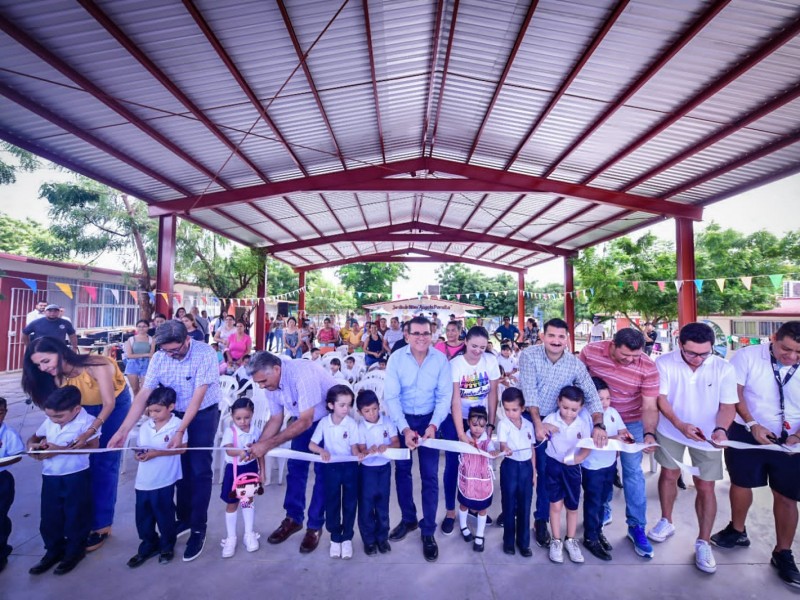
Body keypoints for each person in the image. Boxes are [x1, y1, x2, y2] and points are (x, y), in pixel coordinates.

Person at [108, 320, 222, 562]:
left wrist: (181, 431)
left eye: (176, 350)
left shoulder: (205, 353)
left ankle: (199, 527)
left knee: (199, 470)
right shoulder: (160, 358)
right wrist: (123, 430)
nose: (172, 354)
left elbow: (197, 398)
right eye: (167, 350)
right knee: (178, 469)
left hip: (202, 413)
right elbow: (143, 396)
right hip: (173, 412)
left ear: (187, 340)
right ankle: (185, 519)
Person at [22, 336, 132, 553]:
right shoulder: (56, 378)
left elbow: (108, 404)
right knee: (79, 462)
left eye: (46, 361)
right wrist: (39, 440)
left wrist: (90, 432)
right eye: (38, 365)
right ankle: (78, 524)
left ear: (60, 352)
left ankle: (101, 526)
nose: (43, 368)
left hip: (113, 407)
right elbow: (57, 418)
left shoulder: (96, 364)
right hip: (82, 407)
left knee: (103, 461)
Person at [711, 321, 800, 588]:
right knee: (741, 483)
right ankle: (737, 530)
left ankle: (782, 552)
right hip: (747, 431)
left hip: (792, 440)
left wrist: (798, 436)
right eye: (786, 349)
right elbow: (734, 392)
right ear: (773, 338)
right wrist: (752, 424)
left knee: (787, 496)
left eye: (799, 353)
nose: (792, 357)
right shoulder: (748, 356)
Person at [646, 322, 737, 574]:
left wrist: (721, 429)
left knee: (705, 486)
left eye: (704, 354)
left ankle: (703, 541)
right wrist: (680, 424)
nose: (698, 359)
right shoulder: (664, 362)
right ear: (680, 345)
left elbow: (728, 406)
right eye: (691, 353)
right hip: (671, 430)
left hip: (708, 437)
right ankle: (666, 520)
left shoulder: (723, 368)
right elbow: (661, 399)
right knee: (669, 475)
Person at [517, 318, 606, 549]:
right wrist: (538, 424)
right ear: (543, 336)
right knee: (525, 471)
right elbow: (530, 393)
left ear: (567, 339)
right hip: (530, 418)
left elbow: (591, 394)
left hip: (558, 421)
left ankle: (541, 519)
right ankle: (516, 515)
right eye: (551, 336)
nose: (556, 341)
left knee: (548, 472)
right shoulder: (529, 356)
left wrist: (599, 424)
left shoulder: (575, 364)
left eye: (561, 337)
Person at [580, 327, 660, 559]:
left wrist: (649, 433)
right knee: (602, 468)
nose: (631, 361)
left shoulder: (647, 366)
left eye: (636, 356)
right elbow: (580, 383)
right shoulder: (591, 352)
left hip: (632, 421)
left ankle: (637, 526)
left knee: (633, 471)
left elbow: (649, 406)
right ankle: (603, 509)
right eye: (626, 356)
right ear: (613, 345)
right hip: (597, 418)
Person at [247, 351, 337, 554]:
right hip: (304, 421)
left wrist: (267, 445)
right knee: (295, 469)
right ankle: (293, 518)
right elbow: (275, 419)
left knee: (323, 475)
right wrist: (258, 446)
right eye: (258, 382)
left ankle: (314, 526)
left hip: (327, 422)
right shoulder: (269, 383)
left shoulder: (302, 373)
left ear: (276, 369)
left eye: (263, 381)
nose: (261, 386)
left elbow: (306, 420)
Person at [383, 315, 452, 562]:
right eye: (416, 334)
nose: (421, 338)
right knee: (402, 472)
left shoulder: (440, 360)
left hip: (429, 422)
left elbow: (445, 396)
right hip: (403, 421)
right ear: (407, 335)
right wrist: (404, 429)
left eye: (426, 333)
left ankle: (428, 530)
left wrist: (433, 425)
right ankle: (409, 519)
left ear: (432, 334)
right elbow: (391, 397)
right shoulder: (396, 359)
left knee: (430, 476)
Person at [27, 386, 99, 575]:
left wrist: (58, 449)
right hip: (50, 475)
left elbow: (93, 446)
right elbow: (33, 438)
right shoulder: (50, 420)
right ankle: (53, 550)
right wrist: (34, 447)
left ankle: (74, 552)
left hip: (75, 475)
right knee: (50, 516)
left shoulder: (87, 422)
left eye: (59, 416)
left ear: (76, 409)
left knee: (76, 514)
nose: (54, 420)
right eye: (50, 416)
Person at [440, 326, 500, 535]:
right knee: (454, 465)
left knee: (479, 465)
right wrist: (460, 433)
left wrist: (490, 425)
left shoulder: (491, 361)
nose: (478, 350)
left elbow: (493, 394)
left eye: (482, 347)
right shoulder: (455, 364)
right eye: (474, 346)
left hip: (480, 418)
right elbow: (455, 400)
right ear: (466, 342)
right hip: (455, 419)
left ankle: (474, 506)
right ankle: (450, 512)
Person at [127, 386, 187, 568]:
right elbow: (141, 448)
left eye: (157, 410)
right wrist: (139, 455)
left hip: (164, 479)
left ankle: (167, 546)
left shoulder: (178, 426)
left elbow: (182, 448)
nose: (153, 414)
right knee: (143, 516)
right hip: (143, 480)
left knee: (164, 515)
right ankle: (148, 544)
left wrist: (156, 453)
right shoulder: (146, 426)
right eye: (150, 410)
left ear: (171, 407)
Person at [308, 385, 363, 559]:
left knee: (349, 502)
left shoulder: (352, 424)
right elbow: (312, 444)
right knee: (332, 502)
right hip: (330, 468)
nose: (346, 409)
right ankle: (335, 537)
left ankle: (347, 538)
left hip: (350, 469)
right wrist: (321, 451)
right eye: (342, 405)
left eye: (349, 404)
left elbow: (354, 447)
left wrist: (359, 455)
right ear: (331, 405)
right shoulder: (324, 423)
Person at [580, 377, 629, 561]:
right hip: (592, 466)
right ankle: (590, 538)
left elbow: (622, 430)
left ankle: (597, 530)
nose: (605, 403)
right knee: (593, 501)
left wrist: (626, 435)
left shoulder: (613, 412)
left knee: (603, 501)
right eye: (600, 399)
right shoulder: (585, 415)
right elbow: (594, 440)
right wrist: (617, 437)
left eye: (608, 398)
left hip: (609, 464)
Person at [542, 386, 592, 564]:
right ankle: (556, 540)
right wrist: (544, 427)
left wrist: (579, 458)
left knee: (572, 506)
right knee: (555, 505)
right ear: (558, 403)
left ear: (581, 407)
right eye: (565, 408)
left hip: (572, 468)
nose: (569, 413)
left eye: (574, 409)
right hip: (553, 465)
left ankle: (570, 540)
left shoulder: (583, 424)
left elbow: (588, 445)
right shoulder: (550, 419)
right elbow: (539, 434)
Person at [356, 389, 399, 555]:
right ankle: (369, 541)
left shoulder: (387, 422)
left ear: (379, 406)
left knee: (383, 504)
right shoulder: (360, 427)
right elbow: (360, 448)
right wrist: (368, 450)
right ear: (360, 412)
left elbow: (396, 442)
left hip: (384, 469)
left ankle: (382, 539)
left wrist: (386, 446)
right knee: (366, 506)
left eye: (374, 409)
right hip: (367, 471)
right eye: (367, 411)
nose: (372, 414)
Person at [220, 398, 265, 558]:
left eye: (246, 417)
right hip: (234, 471)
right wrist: (240, 452)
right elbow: (228, 450)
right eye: (238, 418)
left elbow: (260, 452)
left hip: (250, 469)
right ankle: (231, 537)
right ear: (232, 417)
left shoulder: (255, 430)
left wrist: (262, 472)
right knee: (232, 504)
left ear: (252, 414)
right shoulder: (230, 431)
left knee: (248, 501)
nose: (243, 421)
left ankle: (248, 533)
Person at [455, 406, 501, 553]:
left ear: (486, 425)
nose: (477, 429)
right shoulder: (463, 439)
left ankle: (480, 535)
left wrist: (494, 453)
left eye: (482, 426)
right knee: (464, 504)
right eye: (474, 425)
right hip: (466, 480)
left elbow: (493, 451)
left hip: (482, 482)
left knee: (482, 508)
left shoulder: (487, 442)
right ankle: (463, 526)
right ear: (468, 422)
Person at [497, 387, 535, 557]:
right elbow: (502, 445)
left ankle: (524, 542)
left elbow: (532, 448)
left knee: (525, 505)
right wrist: (506, 449)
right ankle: (509, 542)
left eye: (514, 409)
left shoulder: (528, 425)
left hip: (526, 467)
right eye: (506, 410)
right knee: (509, 504)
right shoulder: (503, 424)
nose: (510, 413)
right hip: (510, 466)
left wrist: (534, 471)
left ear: (522, 408)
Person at [0, 397, 24, 573]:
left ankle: (1, 553)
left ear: (5, 413)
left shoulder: (8, 434)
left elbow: (17, 455)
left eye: (0, 413)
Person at [124, 319, 155, 396]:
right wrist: (146, 354)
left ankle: (144, 406)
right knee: (135, 389)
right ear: (136, 327)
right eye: (139, 326)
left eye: (144, 326)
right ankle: (136, 405)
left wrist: (151, 366)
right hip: (132, 364)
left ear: (148, 327)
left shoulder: (151, 339)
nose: (142, 328)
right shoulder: (131, 339)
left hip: (146, 364)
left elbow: (151, 354)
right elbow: (129, 355)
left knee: (145, 389)